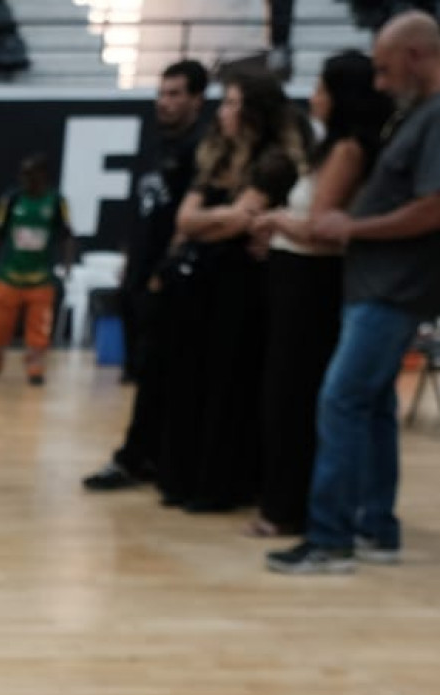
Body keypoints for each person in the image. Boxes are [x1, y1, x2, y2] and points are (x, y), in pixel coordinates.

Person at [268, 12, 440, 574]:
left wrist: (352, 227)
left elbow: (438, 207)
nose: (382, 85)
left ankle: (330, 538)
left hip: (395, 287)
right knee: (371, 408)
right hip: (380, 282)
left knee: (341, 401)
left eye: (388, 71)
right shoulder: (429, 110)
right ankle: (375, 527)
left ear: (417, 55)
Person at [246, 52, 388, 539]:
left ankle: (290, 509)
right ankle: (284, 503)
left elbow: (320, 228)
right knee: (281, 395)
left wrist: (270, 220)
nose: (314, 98)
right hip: (294, 279)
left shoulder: (349, 148)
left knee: (293, 398)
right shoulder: (331, 147)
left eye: (322, 90)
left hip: (312, 284)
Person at [152, 67, 304, 513]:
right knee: (190, 380)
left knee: (228, 382)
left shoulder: (274, 161)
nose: (225, 112)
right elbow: (189, 220)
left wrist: (215, 224)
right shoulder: (217, 157)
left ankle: (219, 484)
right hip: (201, 284)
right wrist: (222, 223)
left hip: (242, 287)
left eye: (234, 103)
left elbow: (238, 222)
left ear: (255, 111)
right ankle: (180, 477)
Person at [83, 60, 209, 491]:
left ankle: (141, 457)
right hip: (139, 275)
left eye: (176, 94)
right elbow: (145, 214)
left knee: (162, 374)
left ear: (197, 99)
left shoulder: (200, 150)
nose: (165, 102)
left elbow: (186, 222)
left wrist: (162, 272)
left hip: (172, 282)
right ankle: (147, 455)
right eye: (162, 93)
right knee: (144, 374)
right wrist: (130, 262)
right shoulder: (158, 146)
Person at [0, 153, 73, 386]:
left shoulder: (56, 201)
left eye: (30, 173)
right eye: (22, 173)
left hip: (40, 278)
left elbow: (66, 235)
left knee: (38, 328)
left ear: (43, 175)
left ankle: (35, 368)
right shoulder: (11, 199)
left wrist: (67, 263)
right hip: (9, 274)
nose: (25, 178)